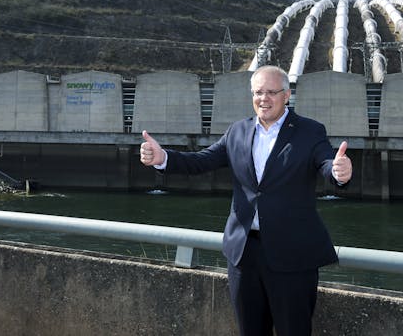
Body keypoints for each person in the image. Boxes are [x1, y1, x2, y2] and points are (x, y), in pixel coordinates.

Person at [139, 65, 352, 336]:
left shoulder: (309, 131)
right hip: (244, 253)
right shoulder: (237, 131)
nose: (264, 99)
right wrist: (163, 158)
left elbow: (326, 162)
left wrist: (339, 172)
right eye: (258, 92)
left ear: (287, 95)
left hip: (292, 254)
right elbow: (202, 161)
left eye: (271, 92)